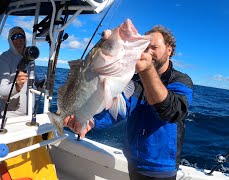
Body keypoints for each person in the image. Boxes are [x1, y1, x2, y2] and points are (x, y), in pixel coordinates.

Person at [64, 25, 193, 180]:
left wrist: (147, 70)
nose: (149, 51)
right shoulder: (134, 80)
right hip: (132, 162)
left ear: (169, 50)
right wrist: (91, 122)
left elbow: (171, 112)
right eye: (146, 47)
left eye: (155, 47)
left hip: (161, 169)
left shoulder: (181, 81)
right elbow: (118, 109)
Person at [0, 26, 42, 117]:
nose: (19, 39)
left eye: (21, 36)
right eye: (15, 37)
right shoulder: (4, 58)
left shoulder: (30, 57)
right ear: (10, 40)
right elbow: (1, 92)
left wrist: (40, 84)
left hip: (30, 114)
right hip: (10, 116)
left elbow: (35, 80)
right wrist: (17, 86)